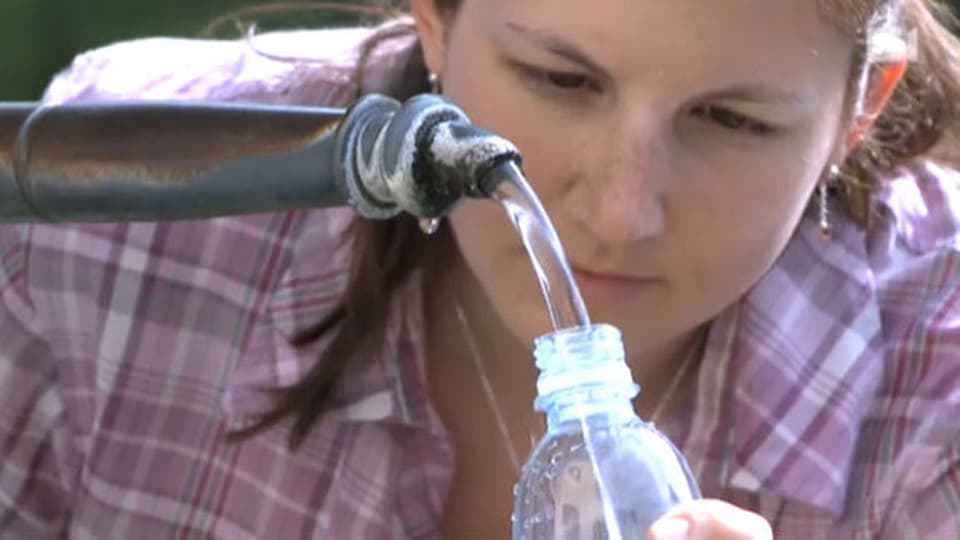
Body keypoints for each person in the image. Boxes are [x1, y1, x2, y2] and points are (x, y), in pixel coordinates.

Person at [1, 0, 958, 538]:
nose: (620, 212)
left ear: (859, 111)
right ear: (436, 19)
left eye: (732, 121)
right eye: (562, 79)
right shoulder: (118, 210)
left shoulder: (937, 406)